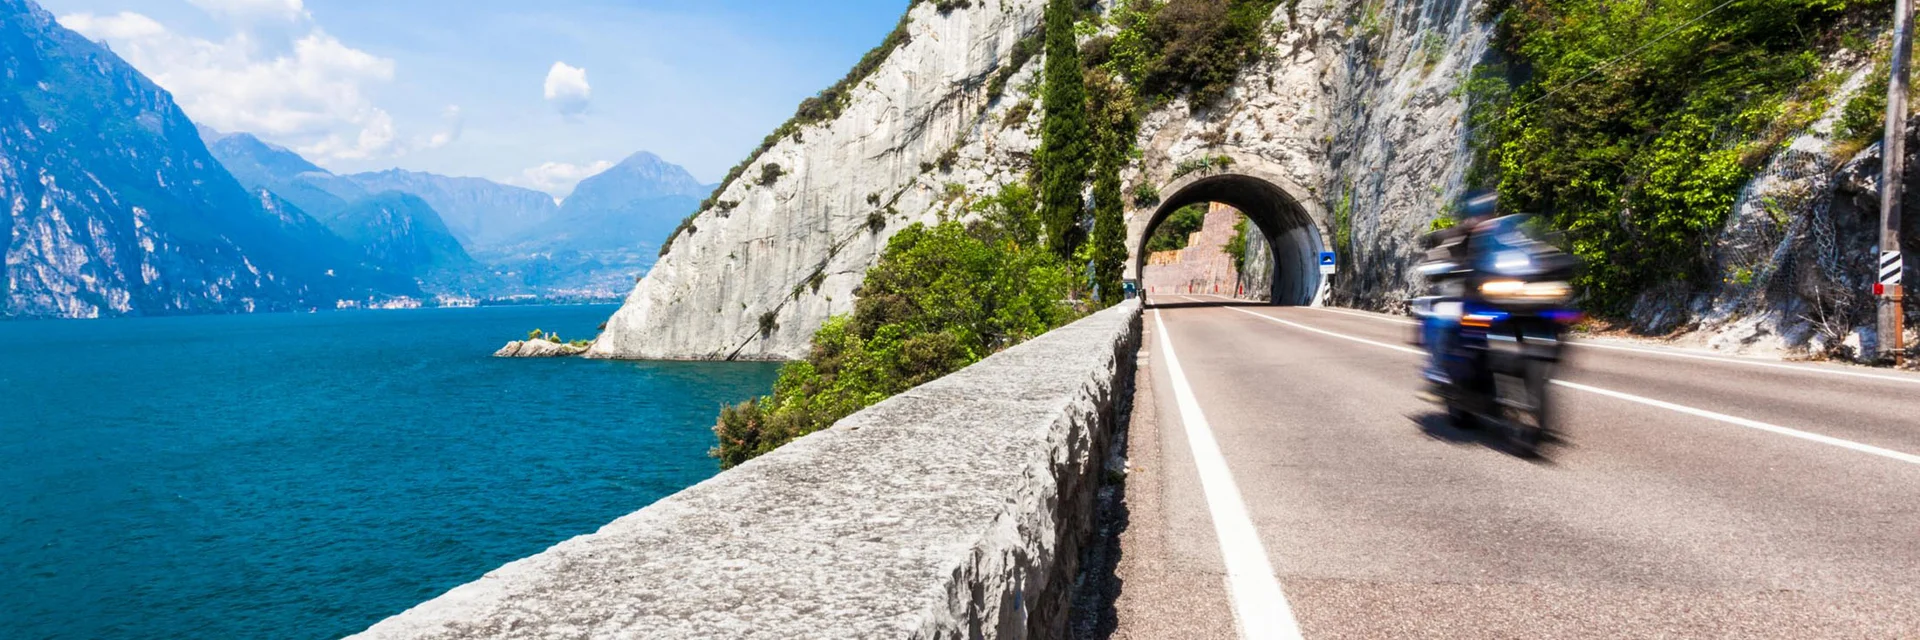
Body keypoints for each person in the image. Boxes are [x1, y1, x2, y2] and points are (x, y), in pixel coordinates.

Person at [1417, 192, 1498, 395]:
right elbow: (1436, 255)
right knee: (1441, 318)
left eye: (1487, 214)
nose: (1482, 220)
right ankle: (1438, 370)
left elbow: (1528, 251)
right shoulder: (1455, 236)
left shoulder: (1501, 234)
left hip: (1497, 299)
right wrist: (1436, 265)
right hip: (1464, 298)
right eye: (1478, 215)